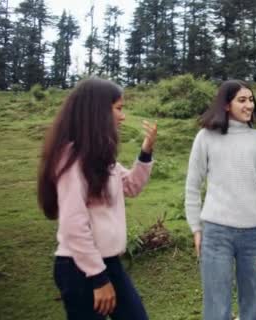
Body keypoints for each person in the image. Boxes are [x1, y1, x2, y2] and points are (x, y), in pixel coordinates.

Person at [37, 77, 156, 320]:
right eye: (118, 109)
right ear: (97, 111)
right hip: (80, 268)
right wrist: (98, 278)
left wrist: (146, 151)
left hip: (109, 262)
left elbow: (131, 186)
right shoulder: (72, 160)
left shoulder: (101, 157)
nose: (122, 117)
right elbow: (73, 225)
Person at [185, 80, 256, 320]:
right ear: (226, 105)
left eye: (251, 100)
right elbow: (192, 186)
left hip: (254, 236)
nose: (249, 105)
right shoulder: (205, 137)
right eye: (242, 100)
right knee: (216, 308)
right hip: (215, 233)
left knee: (251, 308)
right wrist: (196, 228)